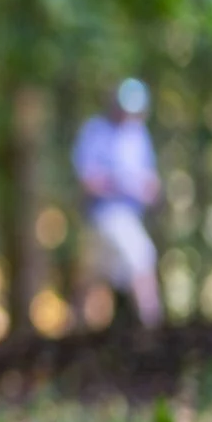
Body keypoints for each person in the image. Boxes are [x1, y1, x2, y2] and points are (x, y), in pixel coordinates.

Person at [73, 78, 164, 327]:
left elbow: (151, 182)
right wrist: (119, 183)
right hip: (105, 215)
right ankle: (152, 326)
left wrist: (146, 189)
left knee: (91, 275)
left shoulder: (138, 136)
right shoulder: (96, 131)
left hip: (129, 215)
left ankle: (75, 329)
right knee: (142, 258)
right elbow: (88, 179)